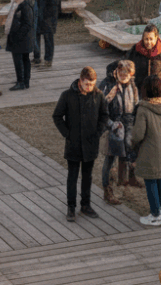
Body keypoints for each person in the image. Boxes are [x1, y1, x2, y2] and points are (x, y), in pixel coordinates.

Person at [52, 66, 109, 222]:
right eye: (87, 84)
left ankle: (86, 205)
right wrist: (67, 134)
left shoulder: (98, 95)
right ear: (80, 81)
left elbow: (104, 115)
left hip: (90, 144)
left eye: (92, 84)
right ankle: (71, 207)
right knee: (72, 176)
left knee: (87, 177)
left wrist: (98, 133)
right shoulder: (67, 95)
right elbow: (57, 116)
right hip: (74, 144)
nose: (90, 87)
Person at [129, 75, 161, 227]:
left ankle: (155, 215)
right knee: (160, 178)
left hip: (150, 150)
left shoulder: (143, 109)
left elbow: (138, 135)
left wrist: (130, 141)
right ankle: (158, 209)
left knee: (150, 181)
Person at [99, 59, 139, 205]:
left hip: (127, 124)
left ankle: (124, 185)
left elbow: (135, 105)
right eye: (121, 71)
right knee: (110, 160)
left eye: (127, 72)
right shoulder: (108, 85)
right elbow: (100, 108)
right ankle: (107, 191)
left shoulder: (131, 85)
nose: (124, 75)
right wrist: (111, 124)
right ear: (115, 72)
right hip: (112, 126)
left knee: (126, 156)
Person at [126, 24, 161, 101]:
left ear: (156, 38)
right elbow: (126, 67)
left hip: (159, 95)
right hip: (140, 94)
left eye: (151, 39)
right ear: (143, 38)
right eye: (146, 39)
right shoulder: (135, 50)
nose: (148, 42)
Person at [6, 0, 35, 91]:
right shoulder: (17, 5)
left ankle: (21, 82)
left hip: (21, 39)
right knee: (24, 59)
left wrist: (17, 36)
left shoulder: (25, 7)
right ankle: (25, 81)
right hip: (22, 38)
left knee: (19, 61)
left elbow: (27, 24)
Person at [33, 0, 61, 68]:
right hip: (38, 15)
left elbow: (55, 4)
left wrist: (49, 18)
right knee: (35, 37)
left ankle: (48, 59)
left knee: (48, 38)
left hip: (48, 17)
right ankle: (36, 57)